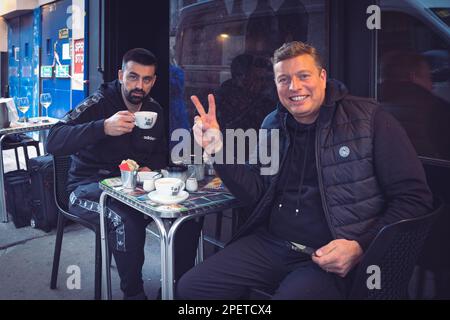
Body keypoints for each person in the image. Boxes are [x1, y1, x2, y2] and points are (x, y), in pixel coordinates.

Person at [176, 41, 434, 299]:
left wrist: (360, 247)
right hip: (272, 244)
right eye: (284, 79)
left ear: (322, 77)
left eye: (303, 76)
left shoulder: (368, 119)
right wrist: (218, 149)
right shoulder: (272, 124)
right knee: (192, 288)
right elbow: (255, 193)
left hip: (329, 256)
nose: (294, 87)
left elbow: (414, 199)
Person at [46, 48, 202, 299]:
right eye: (132, 77)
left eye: (147, 79)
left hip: (135, 189)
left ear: (154, 81)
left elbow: (160, 153)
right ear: (120, 75)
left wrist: (151, 169)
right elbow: (53, 139)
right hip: (85, 188)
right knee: (123, 216)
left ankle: (173, 289)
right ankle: (134, 293)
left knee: (187, 216)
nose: (139, 85)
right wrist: (103, 128)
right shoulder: (99, 103)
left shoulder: (154, 110)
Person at [379, 51, 450, 160]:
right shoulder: (438, 109)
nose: (432, 86)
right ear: (413, 77)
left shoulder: (374, 107)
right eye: (428, 77)